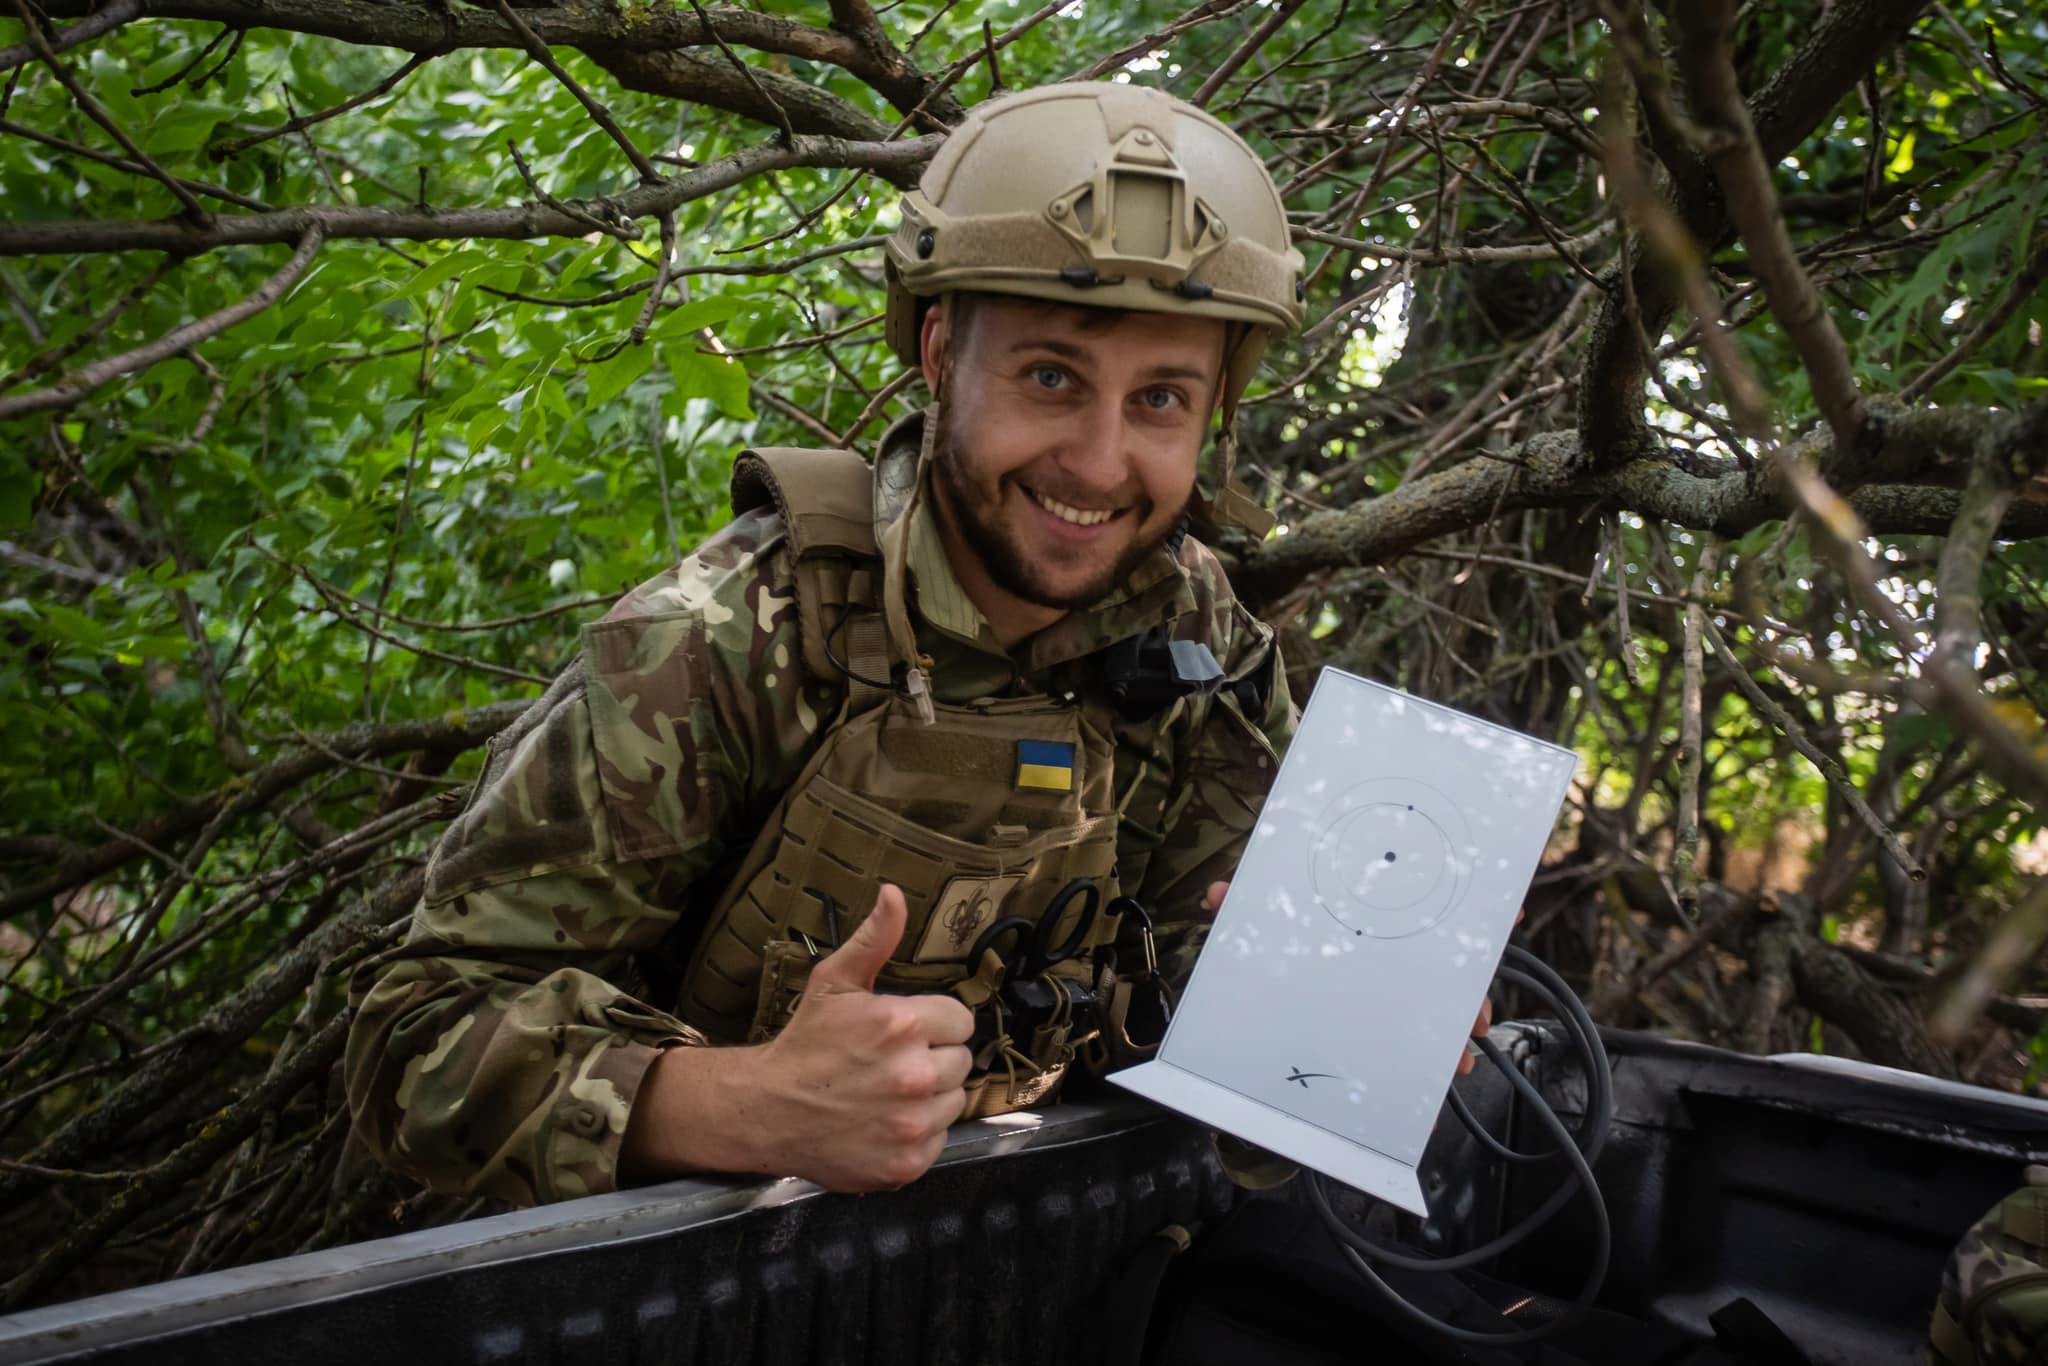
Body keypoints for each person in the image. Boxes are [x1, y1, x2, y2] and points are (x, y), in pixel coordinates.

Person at [345, 81, 1489, 1207]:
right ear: (941, 354)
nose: (1095, 463)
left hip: (1007, 1249)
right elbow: (415, 1042)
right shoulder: (725, 640)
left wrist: (1330, 1021)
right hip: (687, 1269)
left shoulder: (1197, 642)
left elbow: (1195, 1024)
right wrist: (740, 1103)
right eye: (1051, 376)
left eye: (1158, 401)